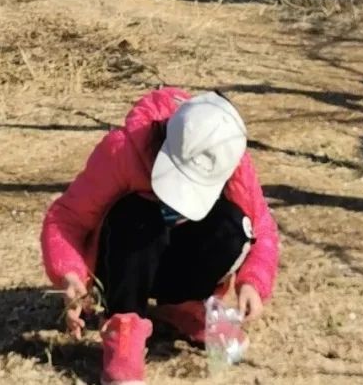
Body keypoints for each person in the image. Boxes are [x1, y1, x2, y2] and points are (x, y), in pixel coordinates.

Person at [41, 87, 278, 385]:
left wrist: (254, 282)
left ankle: (183, 304)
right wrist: (69, 274)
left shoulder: (234, 161)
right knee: (137, 216)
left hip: (176, 256)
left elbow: (262, 227)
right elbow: (66, 218)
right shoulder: (122, 150)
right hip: (121, 258)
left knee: (233, 224)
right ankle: (124, 327)